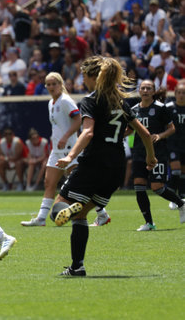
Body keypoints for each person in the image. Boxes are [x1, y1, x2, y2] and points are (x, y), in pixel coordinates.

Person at [51, 57, 157, 276]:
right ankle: (76, 267)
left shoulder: (91, 100)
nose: (82, 80)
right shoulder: (121, 101)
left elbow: (88, 132)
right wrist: (150, 158)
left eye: (84, 76)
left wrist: (70, 155)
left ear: (93, 77)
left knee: (57, 210)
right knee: (81, 216)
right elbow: (145, 133)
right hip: (116, 168)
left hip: (93, 163)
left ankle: (71, 211)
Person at [21, 72, 81, 226]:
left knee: (79, 183)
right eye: (48, 84)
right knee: (49, 182)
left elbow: (78, 119)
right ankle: (41, 219)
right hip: (56, 149)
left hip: (69, 147)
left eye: (54, 83)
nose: (51, 87)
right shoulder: (51, 103)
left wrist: (65, 136)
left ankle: (101, 213)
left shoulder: (66, 101)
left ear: (60, 84)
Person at [127, 80, 185, 231]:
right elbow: (130, 130)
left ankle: (181, 204)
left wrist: (159, 136)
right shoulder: (134, 110)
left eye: (148, 88)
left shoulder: (161, 108)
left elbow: (171, 129)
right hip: (139, 152)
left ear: (153, 91)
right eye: (143, 88)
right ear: (139, 91)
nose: (145, 90)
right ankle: (149, 223)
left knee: (157, 187)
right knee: (139, 186)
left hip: (158, 153)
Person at [166, 82, 185, 210]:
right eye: (179, 92)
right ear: (175, 93)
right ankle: (172, 196)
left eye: (184, 93)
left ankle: (182, 196)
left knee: (183, 172)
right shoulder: (169, 107)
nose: (181, 95)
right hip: (172, 144)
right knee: (176, 170)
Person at [0, 127, 27, 191]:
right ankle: (6, 184)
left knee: (18, 163)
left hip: (21, 161)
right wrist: (2, 158)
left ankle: (21, 183)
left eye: (9, 134)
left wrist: (6, 158)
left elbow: (17, 157)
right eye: (6, 134)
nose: (8, 136)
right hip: (9, 161)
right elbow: (0, 155)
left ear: (13, 134)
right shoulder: (1, 143)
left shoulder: (17, 142)